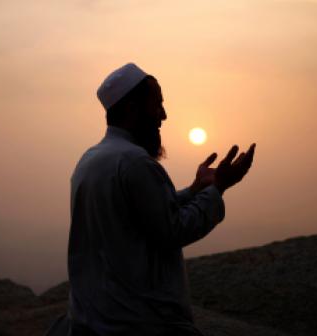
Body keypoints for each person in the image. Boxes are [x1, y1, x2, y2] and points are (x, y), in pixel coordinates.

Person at [45, 63, 256, 336]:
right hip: (137, 322)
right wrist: (219, 188)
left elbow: (142, 211)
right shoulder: (135, 162)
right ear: (132, 107)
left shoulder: (91, 159)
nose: (164, 115)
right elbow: (173, 229)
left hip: (93, 318)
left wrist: (195, 189)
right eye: (157, 104)